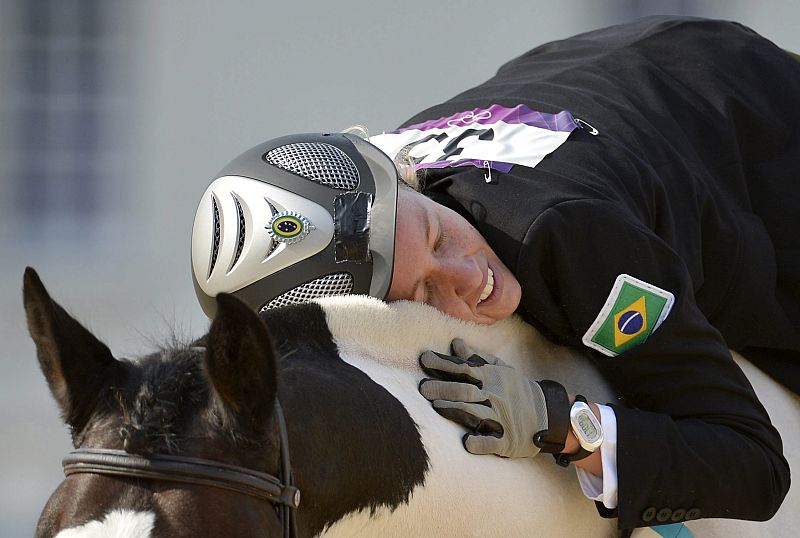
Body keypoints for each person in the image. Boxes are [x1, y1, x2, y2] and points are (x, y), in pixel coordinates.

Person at [191, 16, 798, 530]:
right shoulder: (392, 183)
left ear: (406, 177)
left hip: (764, 133)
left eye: (436, 235)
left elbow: (755, 465)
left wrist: (561, 425)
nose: (467, 275)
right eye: (426, 291)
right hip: (639, 65)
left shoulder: (569, 238)